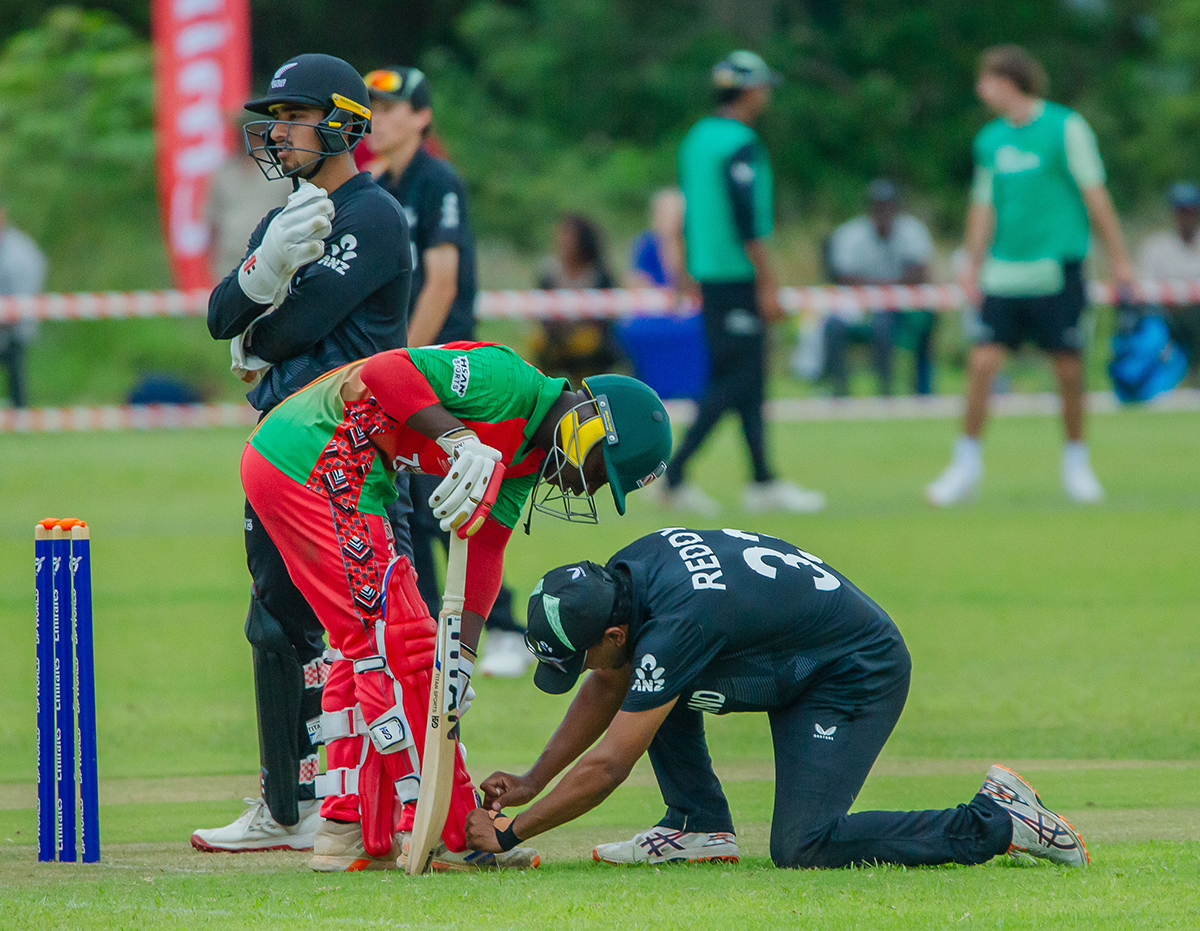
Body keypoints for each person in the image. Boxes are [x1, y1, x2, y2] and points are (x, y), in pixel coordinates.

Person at [240, 342, 673, 870]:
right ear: (592, 426)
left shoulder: (527, 459)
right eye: (603, 472)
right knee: (404, 645)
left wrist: (461, 658)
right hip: (312, 459)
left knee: (371, 650)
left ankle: (347, 825)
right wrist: (458, 437)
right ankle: (447, 831)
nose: (591, 487)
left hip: (333, 475)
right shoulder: (506, 381)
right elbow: (385, 370)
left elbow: (486, 547)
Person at [464, 527, 1089, 871]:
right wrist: (533, 779)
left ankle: (998, 819)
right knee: (651, 679)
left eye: (579, 658)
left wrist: (511, 833)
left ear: (612, 633)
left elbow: (609, 765)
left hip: (853, 670)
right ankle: (698, 826)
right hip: (799, 652)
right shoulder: (631, 572)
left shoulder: (675, 625)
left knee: (805, 845)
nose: (582, 672)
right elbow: (612, 680)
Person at [196, 53, 412, 855]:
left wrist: (260, 324)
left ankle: (366, 799)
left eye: (294, 116)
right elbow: (220, 315)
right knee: (273, 623)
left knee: (357, 626)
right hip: (280, 445)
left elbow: (294, 328)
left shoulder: (374, 216)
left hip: (344, 447)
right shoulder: (283, 217)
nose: (278, 131)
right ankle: (285, 805)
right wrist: (263, 269)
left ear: (343, 124)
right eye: (275, 118)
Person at [363, 65, 528, 679]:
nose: (377, 120)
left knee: (458, 499)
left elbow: (442, 282)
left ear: (422, 116)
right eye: (371, 108)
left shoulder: (437, 180)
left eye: (390, 108)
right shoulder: (377, 184)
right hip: (403, 370)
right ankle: (431, 631)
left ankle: (504, 627)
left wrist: (401, 364)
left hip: (447, 371)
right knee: (407, 503)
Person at [927, 45, 1136, 506]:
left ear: (1008, 82)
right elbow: (983, 206)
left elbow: (1095, 194)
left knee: (1068, 368)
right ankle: (965, 465)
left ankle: (1077, 464)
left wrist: (1120, 259)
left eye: (985, 80)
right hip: (1004, 272)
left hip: (1057, 268)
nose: (980, 89)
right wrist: (971, 264)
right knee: (982, 364)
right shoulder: (990, 140)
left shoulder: (1065, 127)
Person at [662, 51, 824, 516]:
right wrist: (768, 284)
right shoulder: (739, 143)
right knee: (736, 379)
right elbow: (746, 219)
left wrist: (684, 271)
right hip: (736, 276)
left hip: (710, 275)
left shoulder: (697, 139)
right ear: (750, 90)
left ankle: (762, 479)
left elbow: (688, 212)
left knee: (748, 379)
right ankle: (673, 475)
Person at [822, 179, 936, 397]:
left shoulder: (912, 231)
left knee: (891, 323)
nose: (883, 212)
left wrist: (878, 286)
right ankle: (838, 390)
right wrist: (886, 286)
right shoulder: (851, 233)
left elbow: (921, 272)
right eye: (878, 206)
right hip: (858, 306)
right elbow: (841, 275)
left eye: (888, 206)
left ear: (897, 208)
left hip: (903, 308)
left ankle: (890, 390)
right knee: (834, 326)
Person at [533, 213, 622, 387]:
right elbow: (542, 310)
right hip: (556, 339)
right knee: (539, 343)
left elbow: (608, 317)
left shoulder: (599, 276)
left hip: (591, 342)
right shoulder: (550, 274)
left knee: (587, 343)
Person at [205, 113, 289, 282]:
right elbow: (213, 221)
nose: (242, 137)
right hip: (230, 261)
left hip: (272, 259)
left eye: (249, 131)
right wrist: (211, 260)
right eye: (240, 131)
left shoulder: (282, 171)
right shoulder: (224, 171)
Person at [1136, 182, 1200, 384]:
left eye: (1190, 211)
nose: (1185, 216)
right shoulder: (1156, 247)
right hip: (1166, 317)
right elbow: (1144, 289)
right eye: (1181, 211)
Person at [0, 204, 48, 407]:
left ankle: (19, 409)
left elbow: (26, 292)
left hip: (15, 323)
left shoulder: (20, 251)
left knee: (14, 363)